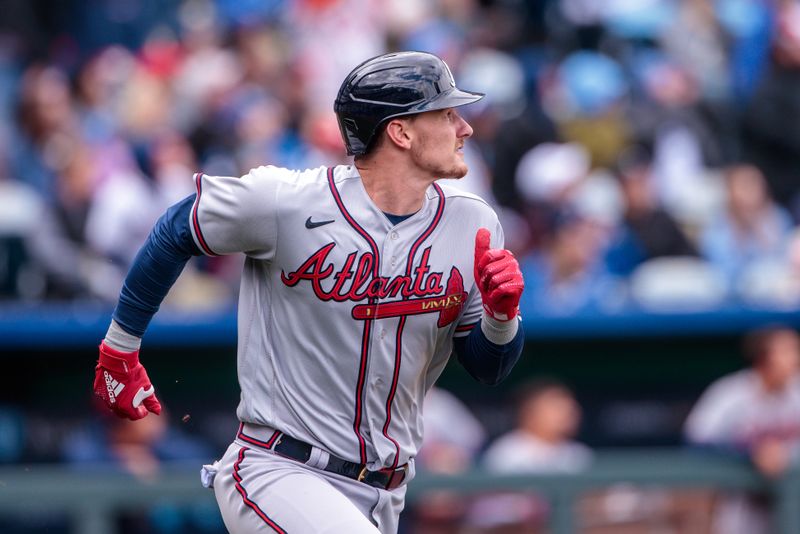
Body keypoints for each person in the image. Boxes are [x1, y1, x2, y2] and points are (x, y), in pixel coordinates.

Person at [91, 51, 525, 534]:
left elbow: (488, 369)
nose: (464, 127)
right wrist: (120, 349)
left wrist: (500, 318)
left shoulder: (473, 222)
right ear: (400, 132)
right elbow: (177, 228)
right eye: (446, 114)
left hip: (385, 493)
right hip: (278, 469)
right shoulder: (287, 201)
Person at [684, 326, 800, 534]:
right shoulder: (731, 393)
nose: (796, 358)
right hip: (744, 506)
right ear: (763, 359)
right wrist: (750, 451)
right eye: (788, 351)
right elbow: (696, 440)